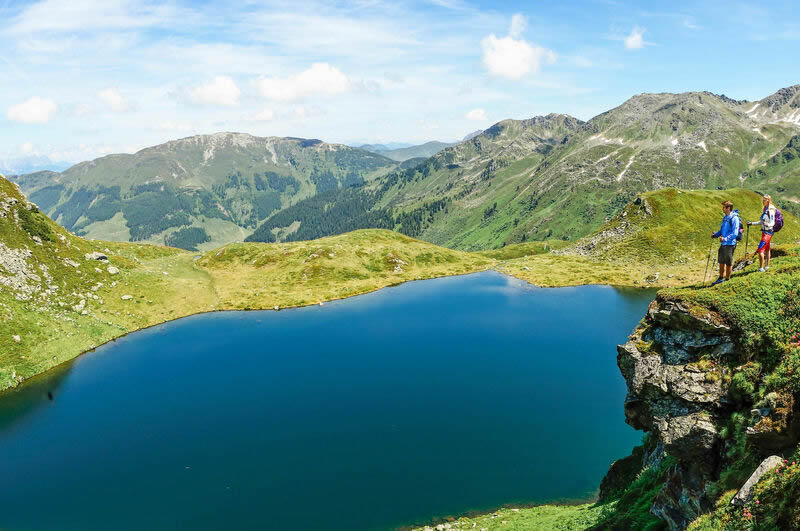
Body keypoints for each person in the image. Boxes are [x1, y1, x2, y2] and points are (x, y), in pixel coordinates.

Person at [710, 200, 740, 286]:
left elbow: (735, 233)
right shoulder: (725, 217)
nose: (722, 209)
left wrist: (725, 239)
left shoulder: (734, 218)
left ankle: (727, 280)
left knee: (728, 262)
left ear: (728, 208)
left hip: (730, 244)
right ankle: (720, 278)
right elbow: (722, 230)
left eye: (724, 207)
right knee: (721, 261)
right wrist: (716, 235)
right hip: (723, 244)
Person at [748, 194, 777, 272]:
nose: (763, 201)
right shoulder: (765, 209)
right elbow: (761, 222)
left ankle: (761, 268)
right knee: (767, 249)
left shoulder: (770, 210)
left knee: (760, 249)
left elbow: (772, 222)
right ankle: (767, 266)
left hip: (768, 233)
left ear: (768, 200)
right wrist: (752, 223)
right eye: (762, 200)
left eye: (764, 200)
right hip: (764, 232)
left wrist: (767, 224)